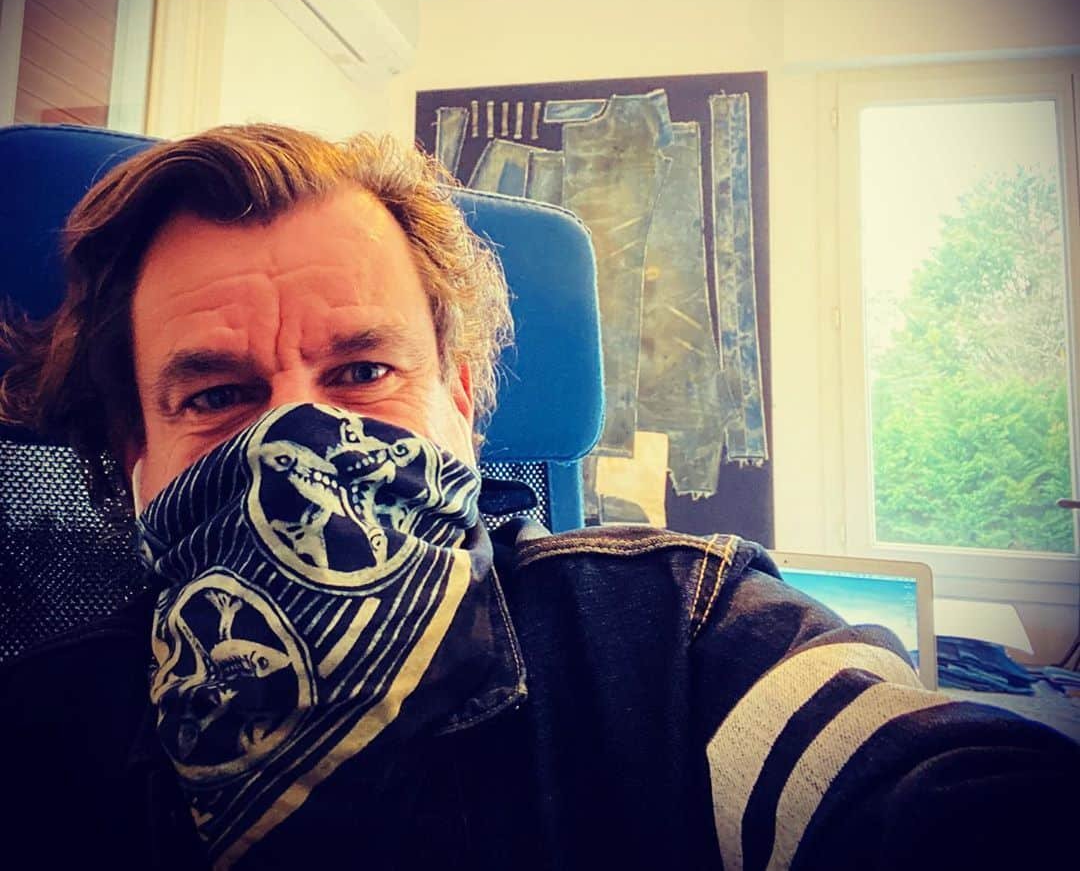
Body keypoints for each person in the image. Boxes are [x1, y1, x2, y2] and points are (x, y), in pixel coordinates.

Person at [0, 123, 1075, 870]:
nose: (297, 443)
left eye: (364, 371)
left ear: (462, 401)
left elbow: (937, 793)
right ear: (134, 453)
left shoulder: (674, 640)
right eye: (218, 395)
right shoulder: (37, 744)